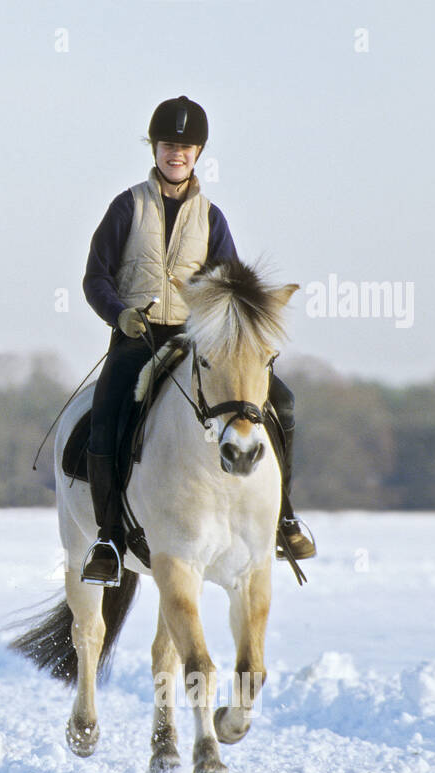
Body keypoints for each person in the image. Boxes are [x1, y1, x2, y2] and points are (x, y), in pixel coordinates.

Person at [79, 95, 316, 585]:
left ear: (199, 153)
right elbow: (95, 277)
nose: (176, 155)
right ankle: (106, 537)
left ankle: (284, 517)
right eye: (168, 145)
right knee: (105, 413)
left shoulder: (213, 218)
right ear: (155, 148)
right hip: (137, 339)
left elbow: (231, 284)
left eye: (185, 148)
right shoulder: (126, 206)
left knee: (282, 403)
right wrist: (119, 314)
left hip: (195, 342)